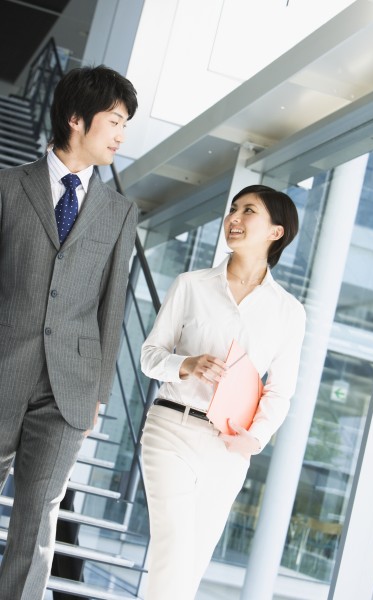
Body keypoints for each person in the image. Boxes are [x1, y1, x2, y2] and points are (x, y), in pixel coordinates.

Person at [0, 65, 138, 600]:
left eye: (126, 125)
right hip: (4, 365)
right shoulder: (9, 186)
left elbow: (112, 305)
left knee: (38, 521)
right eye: (115, 121)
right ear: (77, 119)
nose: (121, 135)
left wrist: (99, 392)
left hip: (69, 388)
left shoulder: (119, 211)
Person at [140, 184, 306, 599]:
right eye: (233, 209)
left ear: (276, 232)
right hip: (171, 429)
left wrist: (257, 438)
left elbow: (280, 391)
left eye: (248, 211)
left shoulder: (288, 311)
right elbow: (149, 356)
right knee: (173, 546)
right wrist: (187, 364)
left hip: (229, 447)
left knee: (195, 558)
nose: (234, 218)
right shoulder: (191, 285)